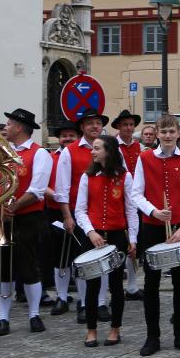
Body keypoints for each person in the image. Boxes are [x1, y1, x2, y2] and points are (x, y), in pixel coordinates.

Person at [129, 114, 180, 356]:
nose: (168, 136)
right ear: (156, 134)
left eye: (172, 132)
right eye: (164, 132)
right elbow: (136, 193)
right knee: (152, 282)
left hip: (179, 229)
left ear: (178, 134)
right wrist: (154, 211)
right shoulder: (145, 157)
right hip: (153, 226)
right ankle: (152, 336)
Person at [0, 109, 52, 336]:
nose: (5, 127)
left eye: (9, 123)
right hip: (3, 217)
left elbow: (37, 190)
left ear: (18, 127)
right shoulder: (1, 153)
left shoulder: (40, 154)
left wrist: (13, 207)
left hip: (28, 217)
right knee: (2, 269)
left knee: (29, 266)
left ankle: (34, 314)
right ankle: (3, 317)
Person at [73, 135, 137, 347]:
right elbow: (80, 210)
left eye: (97, 148)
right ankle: (91, 330)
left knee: (116, 285)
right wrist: (91, 232)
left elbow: (131, 209)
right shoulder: (87, 177)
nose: (93, 151)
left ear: (108, 151)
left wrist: (133, 239)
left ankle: (115, 329)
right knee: (92, 284)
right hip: (94, 236)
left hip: (117, 235)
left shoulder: (124, 176)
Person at [55, 108, 111, 325]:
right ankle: (85, 303)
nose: (95, 126)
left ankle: (101, 302)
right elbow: (62, 188)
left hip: (105, 213)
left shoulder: (110, 147)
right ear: (82, 127)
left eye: (98, 123)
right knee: (82, 261)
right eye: (90, 123)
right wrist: (67, 217)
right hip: (80, 214)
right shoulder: (69, 152)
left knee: (103, 259)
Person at [45, 120, 81, 316]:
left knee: (80, 256)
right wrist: (59, 197)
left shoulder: (84, 153)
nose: (67, 138)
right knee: (60, 257)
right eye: (63, 136)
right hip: (56, 211)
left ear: (77, 137)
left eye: (71, 135)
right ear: (58, 139)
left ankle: (85, 300)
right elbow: (42, 183)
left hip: (80, 210)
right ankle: (61, 296)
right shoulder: (50, 157)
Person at [111, 109, 144, 300]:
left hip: (136, 199)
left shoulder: (139, 147)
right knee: (119, 243)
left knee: (135, 243)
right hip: (119, 196)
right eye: (125, 125)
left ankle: (132, 286)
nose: (129, 128)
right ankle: (116, 283)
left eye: (131, 125)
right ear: (118, 127)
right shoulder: (113, 145)